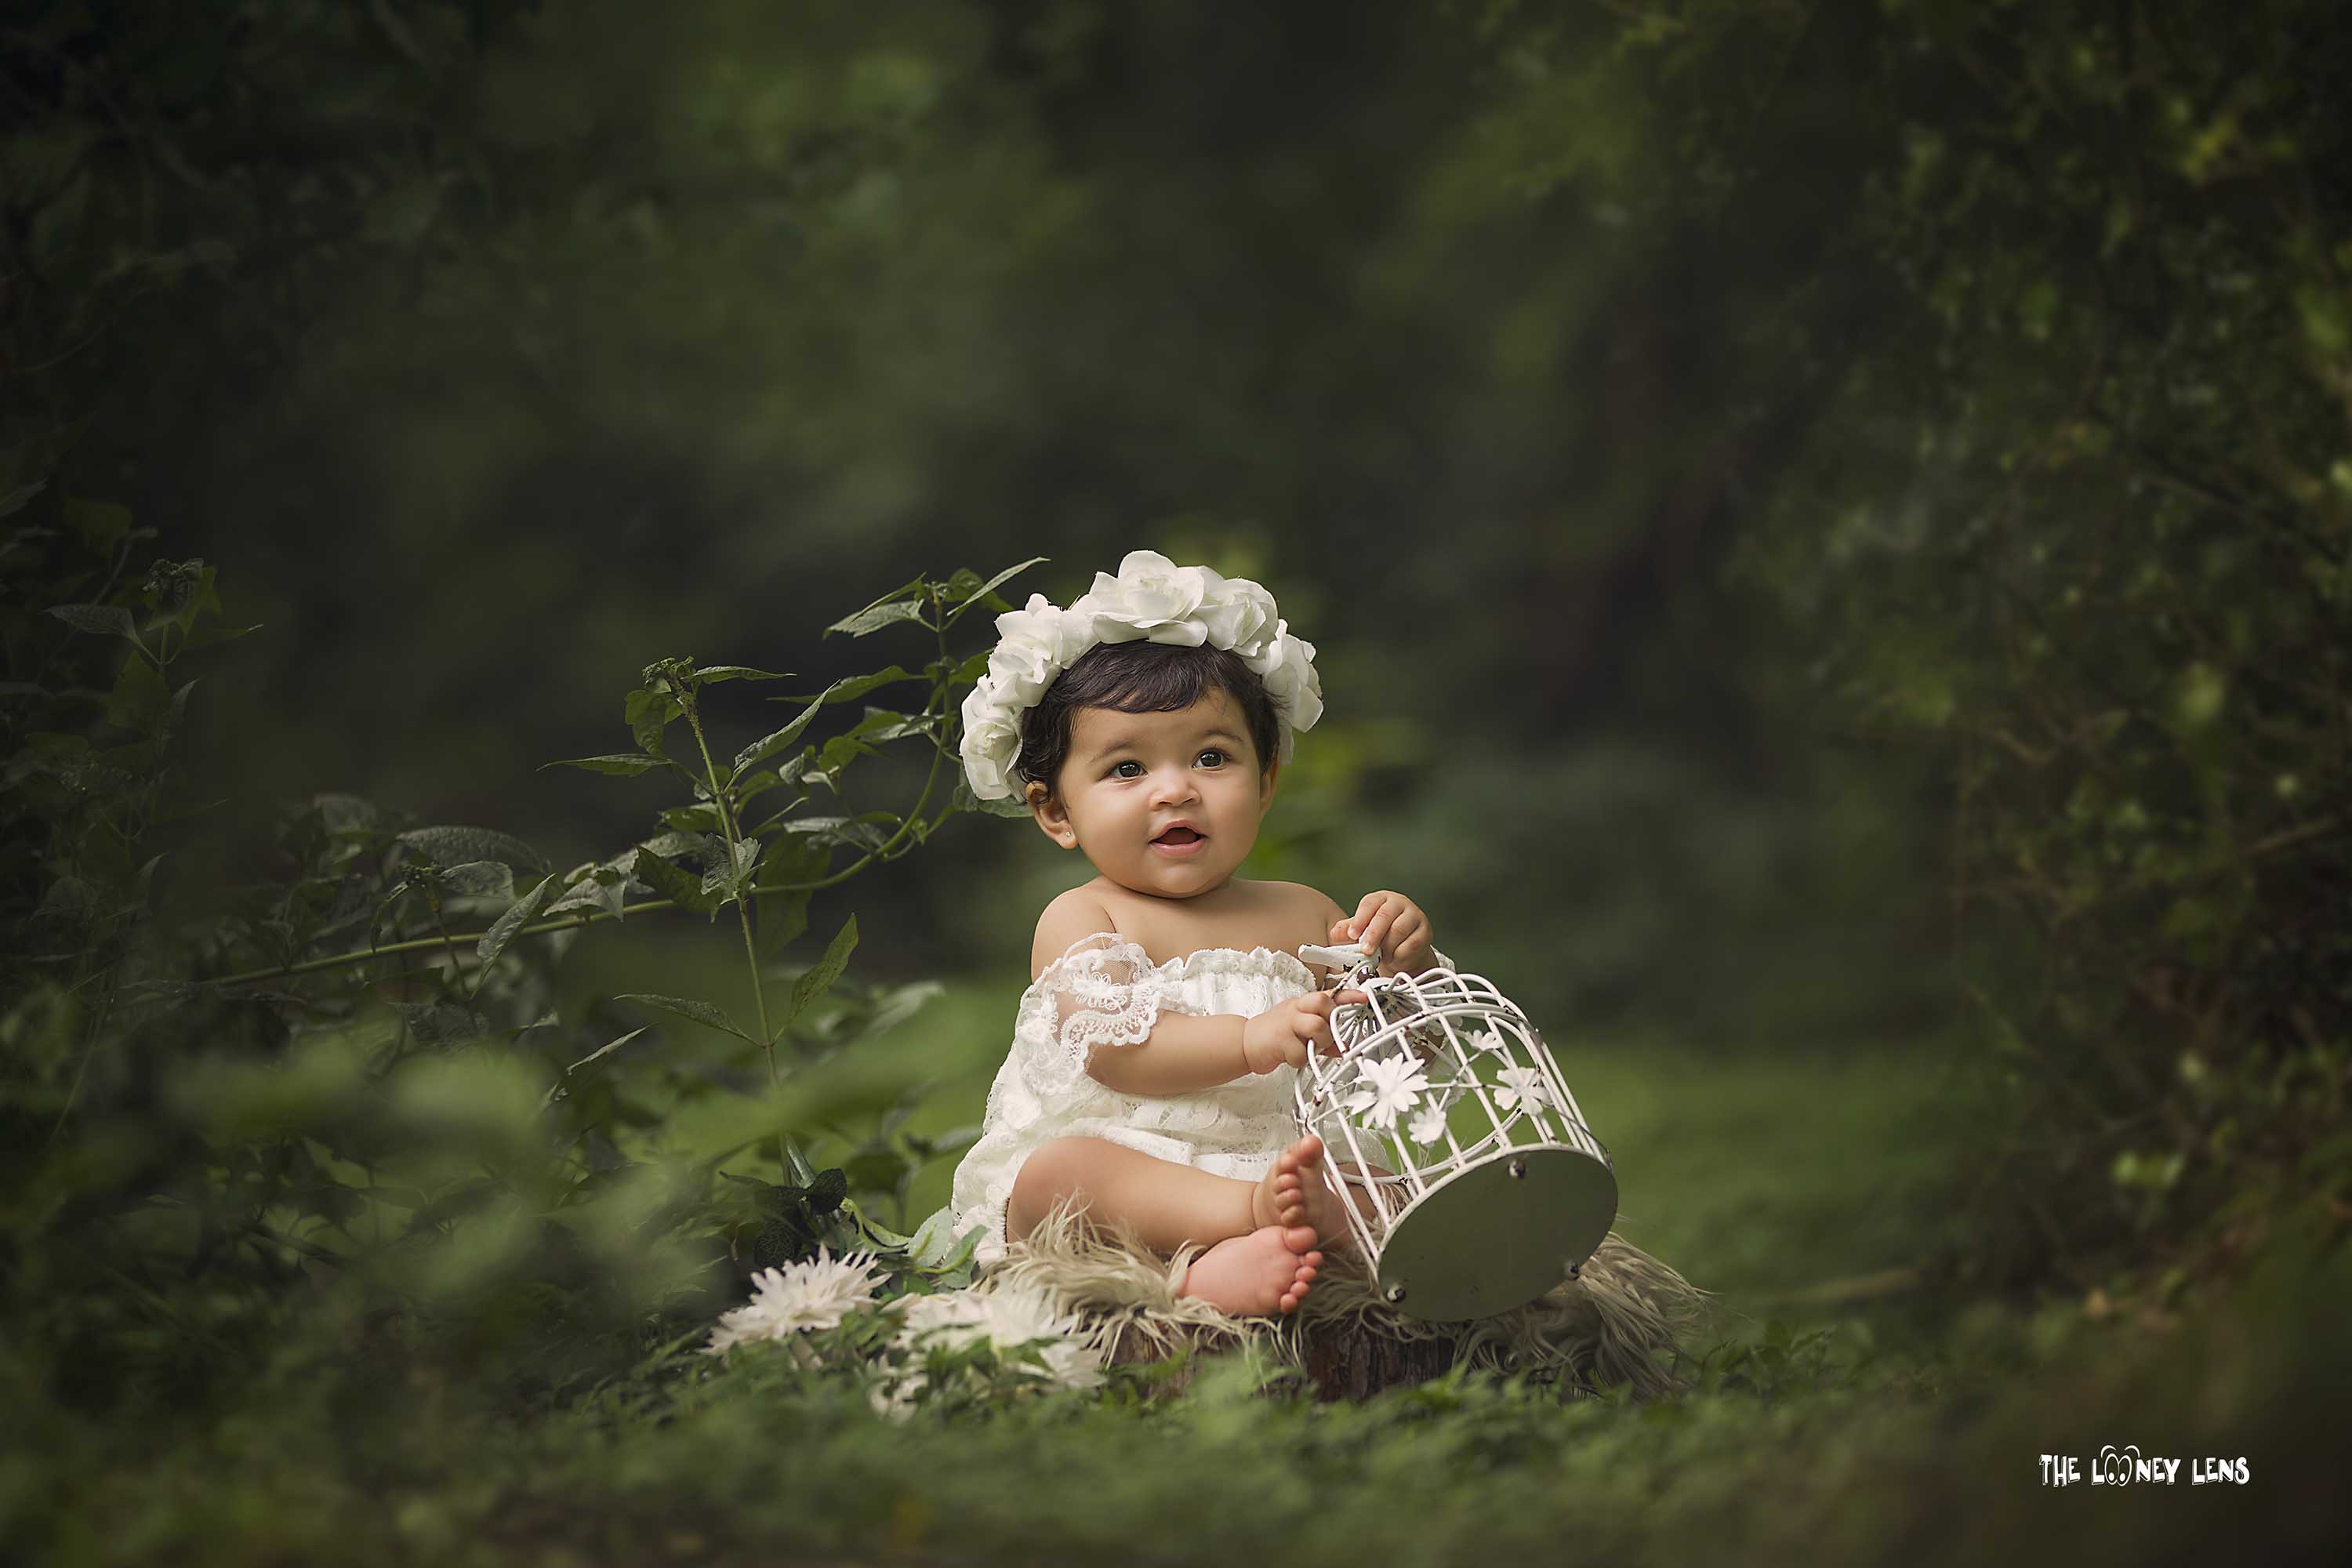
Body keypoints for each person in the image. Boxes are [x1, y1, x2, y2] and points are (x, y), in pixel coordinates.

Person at [945, 550, 1454, 1318]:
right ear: (1056, 810)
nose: (1176, 787)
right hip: (1134, 1177)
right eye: (1125, 768)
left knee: (1388, 1183)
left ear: (1267, 777)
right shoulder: (1085, 917)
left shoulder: (1307, 912)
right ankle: (1220, 1246)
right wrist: (1254, 1036)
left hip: (1280, 1161)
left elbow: (1398, 1059)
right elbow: (1117, 1049)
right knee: (1056, 1175)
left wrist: (1406, 968)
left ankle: (1230, 1264)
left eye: (1211, 756)